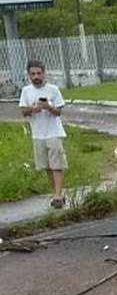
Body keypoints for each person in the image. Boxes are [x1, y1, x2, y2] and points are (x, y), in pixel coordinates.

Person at [19, 59, 67, 207]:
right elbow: (23, 111)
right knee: (46, 166)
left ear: (44, 74)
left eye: (39, 73)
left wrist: (48, 107)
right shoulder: (26, 91)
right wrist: (32, 109)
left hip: (53, 132)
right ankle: (54, 194)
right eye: (33, 74)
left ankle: (59, 194)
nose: (36, 76)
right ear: (29, 75)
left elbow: (59, 111)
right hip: (38, 134)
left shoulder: (53, 90)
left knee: (56, 165)